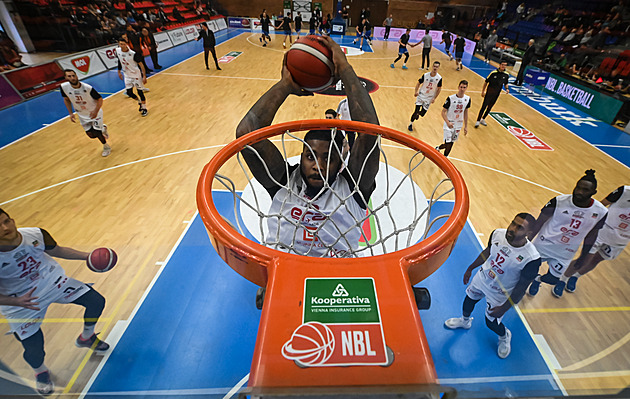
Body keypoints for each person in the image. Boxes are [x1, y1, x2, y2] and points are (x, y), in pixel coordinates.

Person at [236, 35, 379, 259]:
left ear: (341, 161)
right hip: (286, 271)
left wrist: (345, 68)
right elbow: (246, 134)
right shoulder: (284, 182)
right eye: (311, 156)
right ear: (301, 157)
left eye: (328, 158)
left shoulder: (354, 188)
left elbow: (369, 133)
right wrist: (284, 86)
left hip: (338, 279)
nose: (318, 165)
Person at [0, 208, 110, 395]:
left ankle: (87, 337)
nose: (5, 227)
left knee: (96, 301)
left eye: (7, 221)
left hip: (52, 282)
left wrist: (87, 256)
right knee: (34, 351)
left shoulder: (35, 234)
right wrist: (17, 301)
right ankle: (40, 371)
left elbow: (57, 250)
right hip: (22, 302)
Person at [445, 213, 541, 358]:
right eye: (513, 223)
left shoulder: (531, 259)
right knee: (468, 300)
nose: (512, 228)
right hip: (483, 278)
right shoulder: (498, 234)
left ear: (529, 233)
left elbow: (521, 288)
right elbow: (488, 251)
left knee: (491, 323)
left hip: (500, 293)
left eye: (519, 227)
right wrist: (470, 268)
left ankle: (505, 336)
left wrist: (504, 307)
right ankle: (464, 322)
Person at [527, 170, 608, 297]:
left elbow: (592, 235)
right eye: (578, 187)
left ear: (593, 193)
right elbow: (539, 222)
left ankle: (538, 280)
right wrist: (527, 241)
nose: (579, 192)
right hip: (544, 244)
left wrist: (583, 256)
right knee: (526, 272)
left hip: (566, 252)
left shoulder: (601, 211)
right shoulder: (558, 201)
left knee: (552, 279)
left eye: (585, 190)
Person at [552, 185, 630, 297]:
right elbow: (602, 205)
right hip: (602, 230)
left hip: (621, 239)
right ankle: (562, 279)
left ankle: (575, 276)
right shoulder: (624, 191)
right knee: (584, 259)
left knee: (596, 260)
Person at [60, 70, 111, 157]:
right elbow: (66, 99)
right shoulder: (64, 87)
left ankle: (106, 147)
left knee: (97, 132)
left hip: (94, 112)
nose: (72, 78)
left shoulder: (87, 88)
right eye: (69, 76)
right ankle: (103, 128)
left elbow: (99, 99)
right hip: (82, 114)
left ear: (76, 76)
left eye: (73, 75)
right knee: (91, 135)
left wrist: (95, 111)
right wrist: (71, 113)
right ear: (65, 78)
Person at [116, 37, 148, 117]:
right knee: (129, 93)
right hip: (127, 75)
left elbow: (141, 64)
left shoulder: (133, 53)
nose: (122, 46)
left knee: (140, 92)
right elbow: (120, 61)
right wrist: (119, 71)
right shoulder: (118, 51)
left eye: (123, 44)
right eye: (120, 44)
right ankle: (139, 102)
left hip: (136, 75)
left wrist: (144, 76)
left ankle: (144, 108)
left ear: (126, 44)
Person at [437, 80, 470, 157]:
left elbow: (466, 113)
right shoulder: (450, 98)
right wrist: (448, 122)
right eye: (461, 87)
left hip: (458, 124)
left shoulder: (467, 99)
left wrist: (466, 126)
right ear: (458, 87)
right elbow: (443, 112)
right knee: (448, 143)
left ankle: (439, 149)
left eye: (464, 87)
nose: (462, 89)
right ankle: (444, 158)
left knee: (451, 143)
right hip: (449, 123)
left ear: (466, 88)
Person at [408, 61, 442, 131]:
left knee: (422, 114)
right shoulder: (426, 75)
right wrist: (416, 91)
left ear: (438, 68)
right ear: (432, 66)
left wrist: (434, 98)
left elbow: (439, 89)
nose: (435, 68)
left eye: (437, 67)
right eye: (434, 66)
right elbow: (418, 83)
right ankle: (410, 124)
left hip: (429, 98)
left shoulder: (439, 78)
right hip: (421, 95)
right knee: (416, 111)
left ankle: (418, 114)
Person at [475, 61, 509, 128]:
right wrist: (483, 91)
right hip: (489, 93)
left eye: (505, 65)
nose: (503, 66)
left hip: (496, 94)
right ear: (499, 65)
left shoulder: (506, 75)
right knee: (483, 107)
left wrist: (507, 89)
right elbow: (486, 82)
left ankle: (483, 119)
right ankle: (478, 121)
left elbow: (506, 83)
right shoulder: (493, 73)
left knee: (489, 107)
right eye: (502, 65)